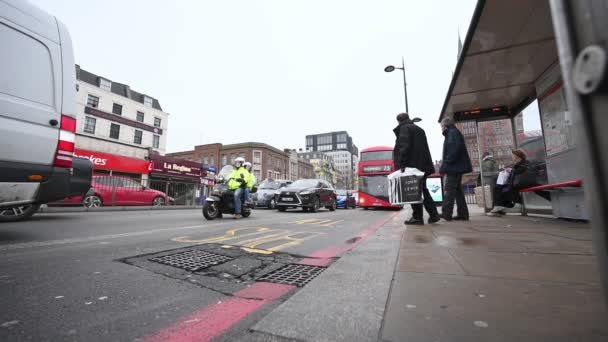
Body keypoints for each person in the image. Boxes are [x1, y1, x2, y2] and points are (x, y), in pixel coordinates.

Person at [393, 112, 440, 225]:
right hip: (422, 165)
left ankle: (417, 217)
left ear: (399, 121)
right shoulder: (419, 129)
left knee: (413, 191)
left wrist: (402, 165)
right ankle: (434, 215)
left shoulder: (404, 129)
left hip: (412, 166)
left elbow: (404, 148)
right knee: (423, 190)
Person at [488, 149, 551, 216]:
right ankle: (500, 206)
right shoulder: (517, 164)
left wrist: (511, 170)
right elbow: (517, 172)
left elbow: (521, 171)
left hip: (524, 183)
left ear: (517, 156)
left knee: (504, 188)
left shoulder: (525, 162)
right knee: (500, 188)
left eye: (513, 155)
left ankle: (506, 205)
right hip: (518, 184)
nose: (512, 156)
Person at [439, 117, 473, 221]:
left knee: (449, 190)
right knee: (458, 192)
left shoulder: (452, 133)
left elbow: (454, 149)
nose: (441, 128)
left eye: (441, 126)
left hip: (453, 167)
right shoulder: (454, 132)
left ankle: (446, 213)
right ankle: (463, 214)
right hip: (457, 167)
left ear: (445, 125)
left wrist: (446, 162)